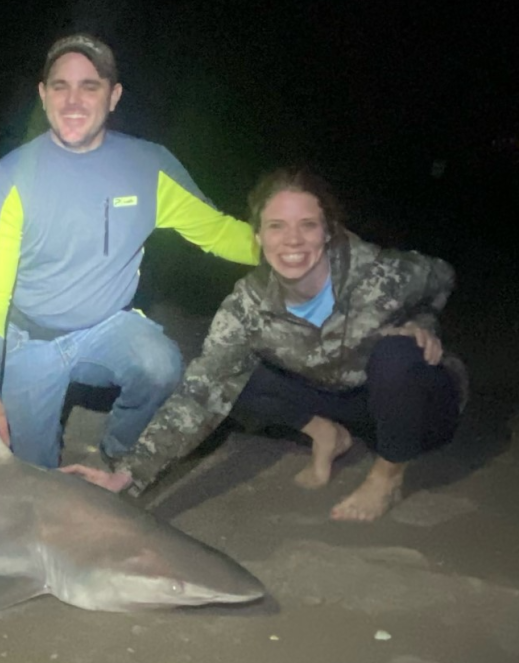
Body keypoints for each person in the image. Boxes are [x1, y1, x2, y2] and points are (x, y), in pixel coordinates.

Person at [63, 167, 468, 522]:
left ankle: (387, 475)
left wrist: (421, 322)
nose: (292, 240)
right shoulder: (248, 306)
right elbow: (199, 395)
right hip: (345, 399)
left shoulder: (378, 272)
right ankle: (326, 433)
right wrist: (128, 473)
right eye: (277, 226)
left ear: (327, 231)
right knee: (223, 374)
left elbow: (442, 277)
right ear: (258, 235)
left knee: (397, 356)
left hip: (423, 406)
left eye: (307, 225)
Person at [0, 33, 260, 469]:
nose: (73, 100)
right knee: (33, 476)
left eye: (90, 85)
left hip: (106, 328)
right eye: (60, 86)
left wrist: (293, 248)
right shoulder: (10, 178)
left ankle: (120, 449)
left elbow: (218, 233)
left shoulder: (149, 166)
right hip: (31, 339)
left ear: (114, 96)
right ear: (43, 96)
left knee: (160, 365)